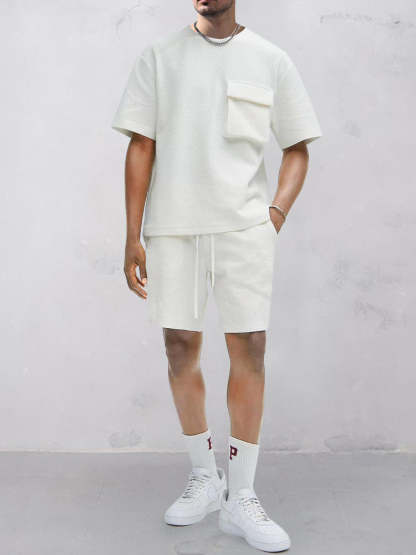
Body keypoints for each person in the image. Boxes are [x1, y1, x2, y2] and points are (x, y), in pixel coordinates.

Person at [111, 0, 321, 551]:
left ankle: (242, 495)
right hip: (173, 227)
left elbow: (297, 147)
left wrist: (274, 215)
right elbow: (141, 145)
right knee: (180, 345)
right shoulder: (159, 57)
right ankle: (205, 477)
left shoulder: (270, 59)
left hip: (244, 229)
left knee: (249, 346)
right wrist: (132, 234)